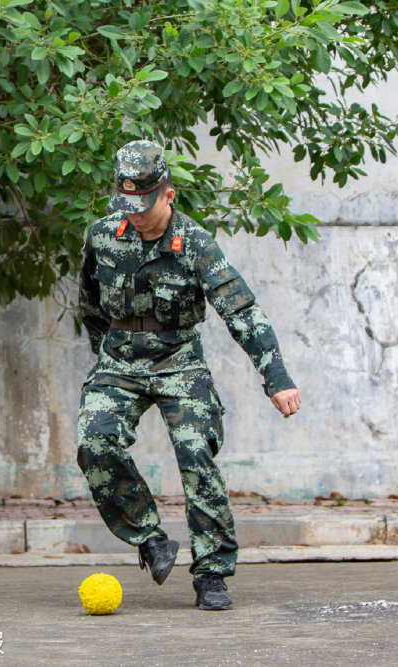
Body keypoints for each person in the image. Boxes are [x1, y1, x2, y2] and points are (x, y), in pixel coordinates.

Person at [76, 139, 301, 611]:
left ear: (168, 194)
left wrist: (276, 378)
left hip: (179, 359)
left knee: (197, 452)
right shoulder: (101, 235)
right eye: (126, 204)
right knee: (94, 441)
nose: (135, 214)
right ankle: (150, 538)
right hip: (119, 361)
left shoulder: (196, 244)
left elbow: (242, 310)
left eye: (145, 204)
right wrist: (107, 357)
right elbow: (90, 304)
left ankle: (212, 574)